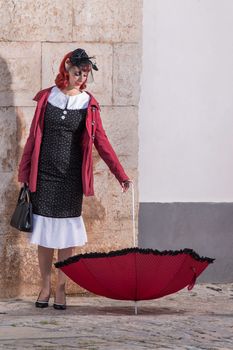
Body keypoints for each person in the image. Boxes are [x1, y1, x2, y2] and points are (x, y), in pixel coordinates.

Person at [18, 48, 132, 310]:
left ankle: (61, 287)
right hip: (44, 176)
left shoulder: (88, 103)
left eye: (85, 74)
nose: (81, 78)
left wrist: (121, 175)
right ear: (66, 67)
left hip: (71, 180)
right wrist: (24, 174)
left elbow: (102, 142)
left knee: (66, 238)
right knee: (45, 235)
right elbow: (33, 139)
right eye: (77, 72)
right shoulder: (48, 97)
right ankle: (44, 286)